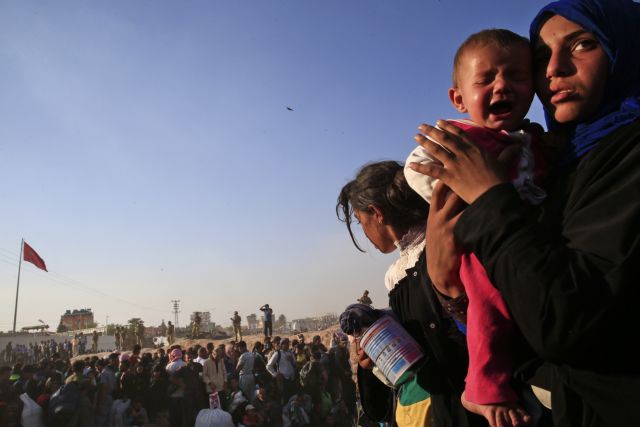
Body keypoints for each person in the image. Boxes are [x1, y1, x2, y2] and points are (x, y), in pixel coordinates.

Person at [410, 0, 640, 425]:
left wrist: (488, 196)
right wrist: (444, 283)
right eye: (541, 57)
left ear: (624, 48)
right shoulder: (566, 158)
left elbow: (563, 322)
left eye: (584, 44)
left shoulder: (625, 157)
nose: (554, 68)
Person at [405, 28, 547, 425]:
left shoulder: (533, 139)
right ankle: (483, 387)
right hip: (479, 245)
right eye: (485, 79)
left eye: (516, 76)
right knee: (487, 304)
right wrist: (463, 190)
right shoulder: (465, 137)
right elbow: (417, 167)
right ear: (459, 98)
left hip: (515, 240)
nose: (502, 85)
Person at [336, 160, 483, 426]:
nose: (365, 233)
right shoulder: (399, 272)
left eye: (361, 221)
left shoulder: (437, 250)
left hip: (471, 403)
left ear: (376, 213)